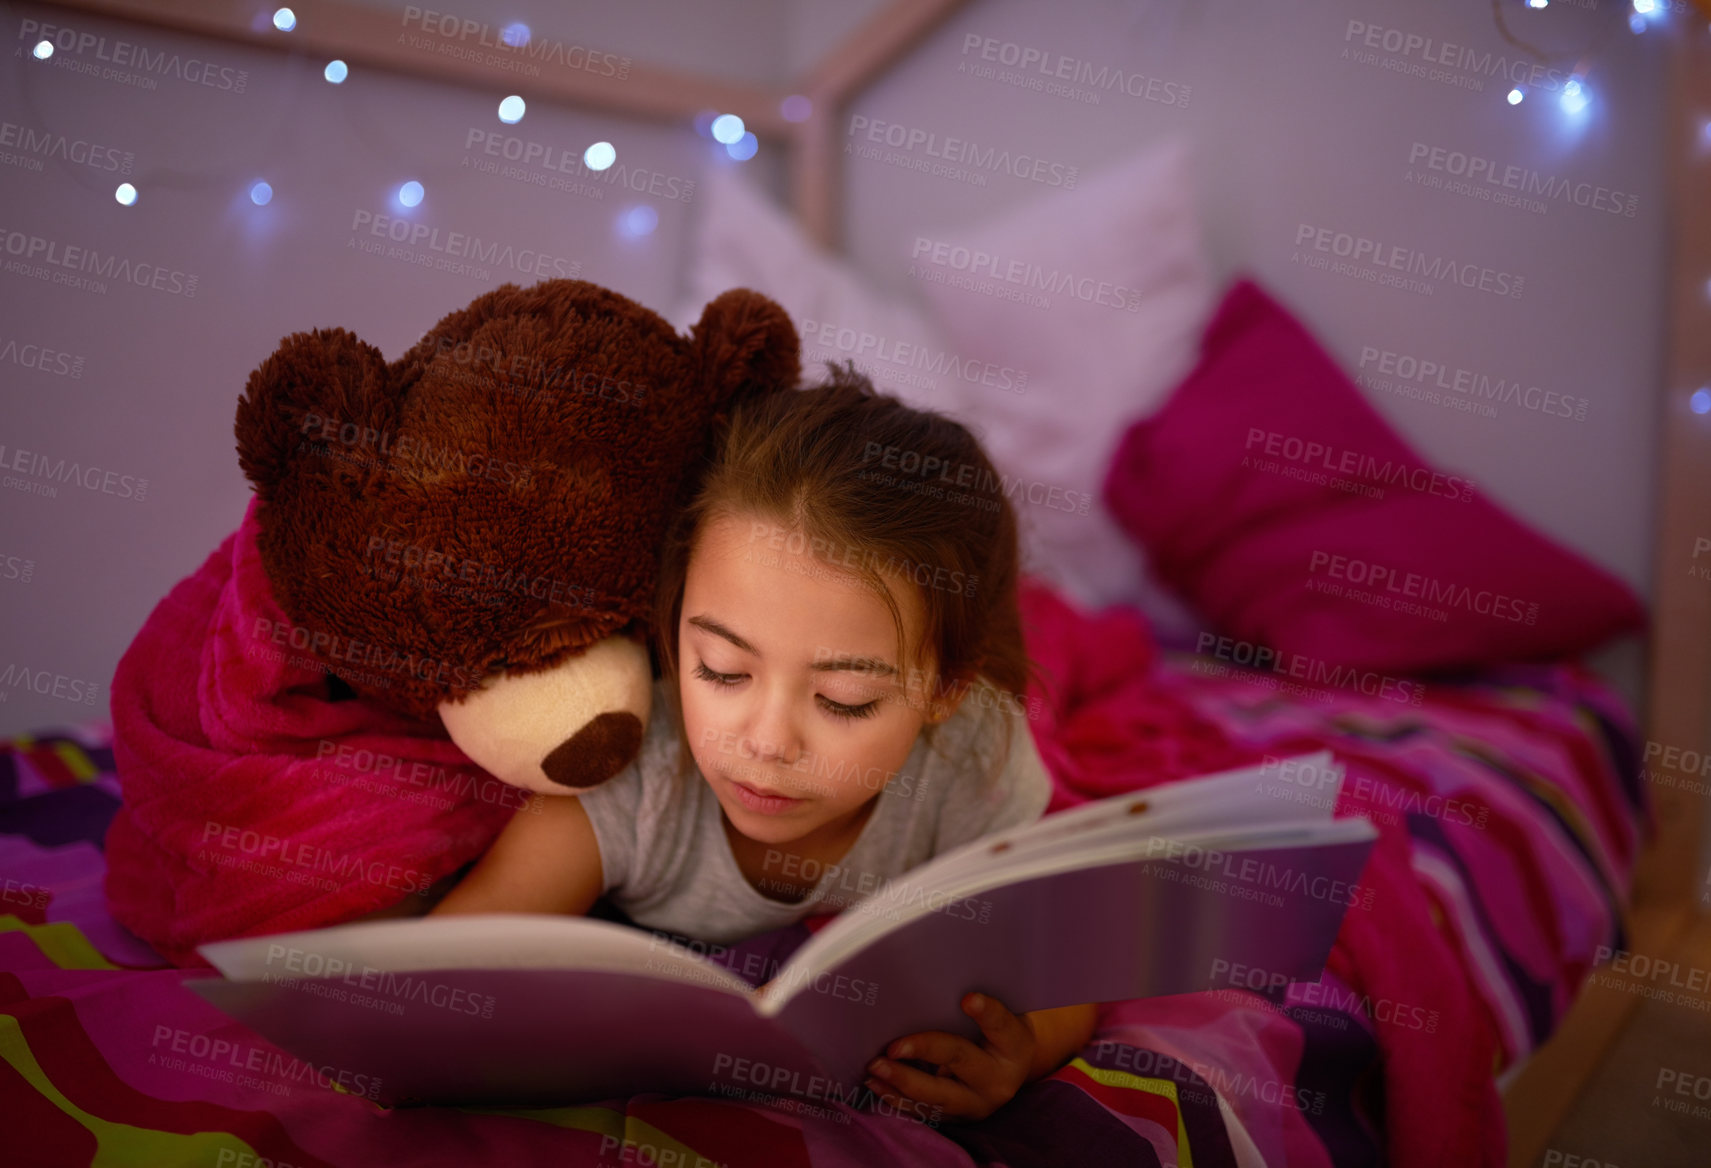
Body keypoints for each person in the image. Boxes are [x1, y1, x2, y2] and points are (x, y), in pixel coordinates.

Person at [431, 362, 1097, 1120]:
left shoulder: (970, 761)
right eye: (721, 671)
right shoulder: (633, 774)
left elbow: (1064, 976)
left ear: (944, 691)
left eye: (844, 700)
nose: (769, 741)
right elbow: (440, 974)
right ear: (671, 626)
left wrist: (1020, 1053)